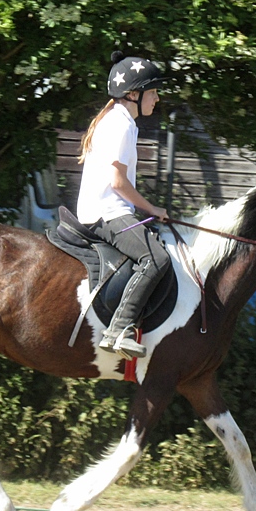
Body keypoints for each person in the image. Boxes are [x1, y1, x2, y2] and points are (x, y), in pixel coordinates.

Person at [76, 51, 171, 359]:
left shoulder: (119, 120)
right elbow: (118, 182)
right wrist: (151, 209)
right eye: (152, 92)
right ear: (133, 94)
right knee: (156, 258)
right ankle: (119, 329)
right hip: (108, 214)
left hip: (108, 210)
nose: (156, 98)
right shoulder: (120, 125)